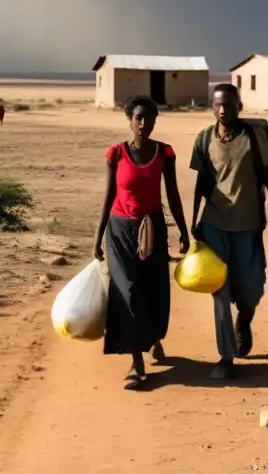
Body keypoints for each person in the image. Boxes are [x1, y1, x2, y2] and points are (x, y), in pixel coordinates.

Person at [190, 84, 268, 381]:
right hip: (215, 225)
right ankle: (225, 356)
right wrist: (193, 223)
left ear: (239, 106)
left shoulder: (254, 137)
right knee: (220, 291)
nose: (222, 110)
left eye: (228, 105)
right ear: (212, 106)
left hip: (249, 227)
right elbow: (203, 184)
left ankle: (243, 321)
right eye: (217, 105)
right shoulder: (204, 138)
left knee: (251, 292)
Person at [94, 96, 190, 390]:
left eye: (149, 118)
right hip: (120, 230)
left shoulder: (164, 153)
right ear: (129, 119)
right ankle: (136, 362)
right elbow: (109, 194)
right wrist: (97, 237)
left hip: (153, 229)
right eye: (138, 117)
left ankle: (154, 338)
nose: (143, 123)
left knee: (153, 288)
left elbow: (172, 194)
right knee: (130, 291)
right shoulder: (117, 154)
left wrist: (184, 232)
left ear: (155, 120)